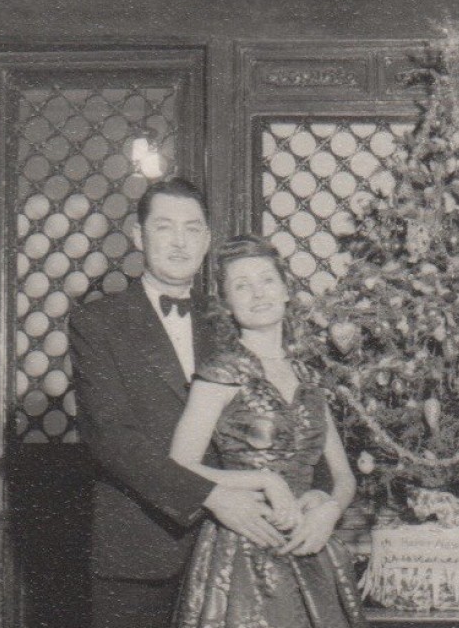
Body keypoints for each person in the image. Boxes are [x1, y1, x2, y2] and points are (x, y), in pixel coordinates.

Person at [69, 179, 289, 628]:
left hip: (233, 547)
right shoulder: (98, 322)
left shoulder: (230, 319)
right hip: (140, 555)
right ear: (138, 236)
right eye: (165, 227)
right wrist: (212, 496)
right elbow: (111, 438)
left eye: (192, 229)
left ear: (206, 240)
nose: (179, 241)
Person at [169, 234, 367, 628]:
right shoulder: (220, 373)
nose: (258, 293)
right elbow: (179, 465)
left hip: (310, 544)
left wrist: (329, 511)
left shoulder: (311, 377)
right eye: (242, 285)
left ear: (286, 291)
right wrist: (265, 480)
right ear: (227, 303)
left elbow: (343, 477)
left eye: (266, 280)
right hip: (244, 549)